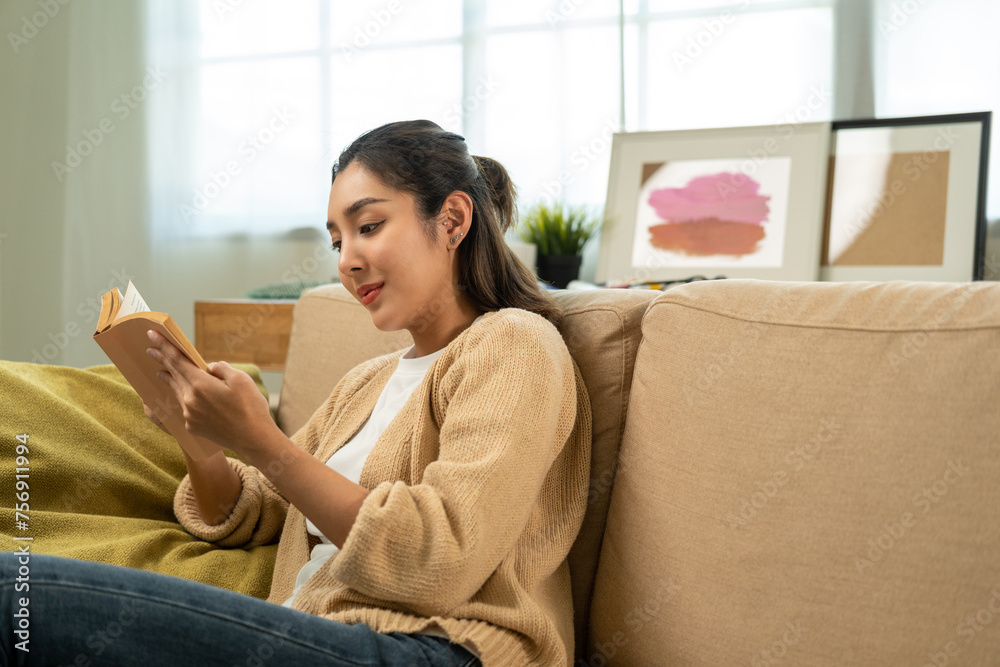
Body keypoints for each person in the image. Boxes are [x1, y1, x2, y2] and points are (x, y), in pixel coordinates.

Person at [1, 119, 592, 666]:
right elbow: (251, 513)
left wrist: (263, 444)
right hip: (318, 633)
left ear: (454, 221)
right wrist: (199, 440)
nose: (349, 261)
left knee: (14, 594)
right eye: (337, 242)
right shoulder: (367, 381)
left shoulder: (515, 347)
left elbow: (436, 561)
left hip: (437, 649)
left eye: (368, 227)